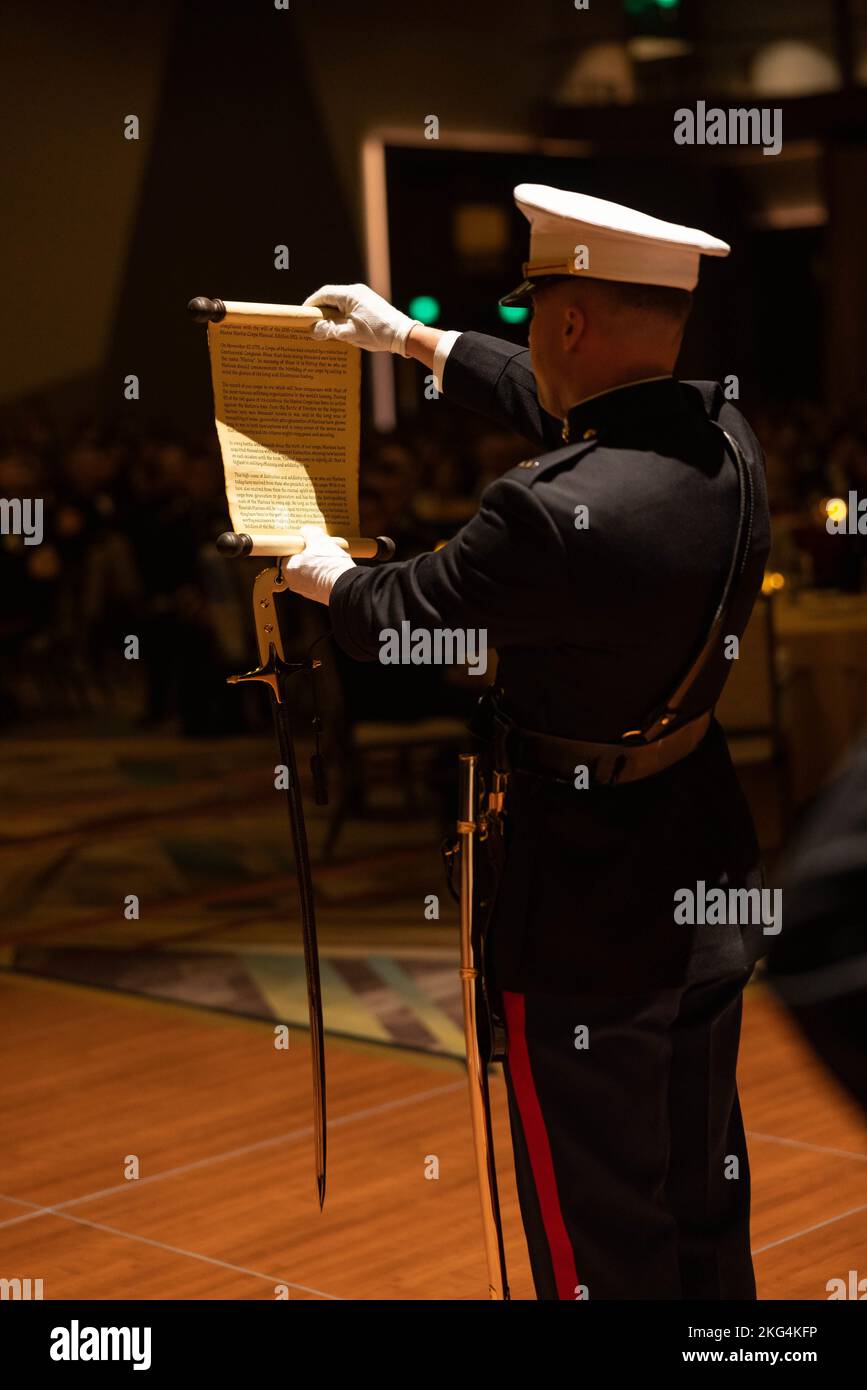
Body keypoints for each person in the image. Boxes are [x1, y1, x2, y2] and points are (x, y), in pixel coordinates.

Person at [284, 184, 771, 1300]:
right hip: (702, 870)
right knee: (701, 1200)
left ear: (565, 322)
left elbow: (398, 616)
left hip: (586, 911)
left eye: (542, 311)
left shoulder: (547, 513)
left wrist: (320, 567)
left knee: (597, 1224)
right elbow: (561, 405)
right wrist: (410, 338)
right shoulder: (726, 440)